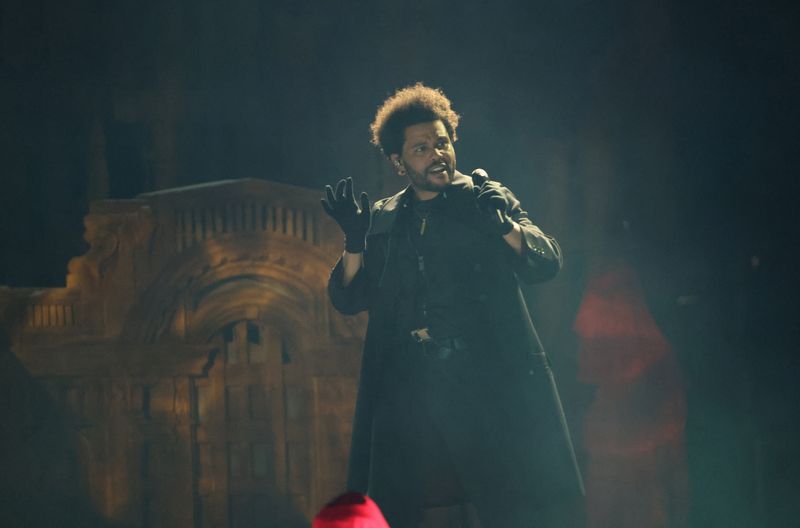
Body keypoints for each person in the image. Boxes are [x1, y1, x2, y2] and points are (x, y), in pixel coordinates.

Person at [322, 83, 584, 527]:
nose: (436, 154)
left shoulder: (484, 198)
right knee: (402, 505)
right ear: (398, 161)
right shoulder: (386, 216)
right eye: (421, 148)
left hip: (483, 383)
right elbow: (348, 297)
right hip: (409, 390)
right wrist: (354, 241)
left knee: (507, 503)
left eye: (442, 142)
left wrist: (503, 226)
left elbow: (547, 263)